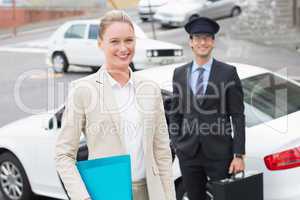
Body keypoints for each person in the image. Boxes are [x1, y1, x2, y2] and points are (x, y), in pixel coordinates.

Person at [55, 10, 176, 200]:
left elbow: (162, 152)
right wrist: (83, 197)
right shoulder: (83, 90)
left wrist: (169, 196)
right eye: (115, 41)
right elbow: (63, 156)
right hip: (107, 193)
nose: (123, 48)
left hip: (152, 193)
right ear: (100, 44)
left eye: (129, 40)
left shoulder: (150, 89)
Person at [169, 17, 245, 200]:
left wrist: (239, 154)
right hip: (189, 154)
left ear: (213, 42)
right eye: (197, 38)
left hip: (220, 152)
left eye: (207, 37)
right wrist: (177, 143)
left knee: (226, 197)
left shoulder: (228, 72)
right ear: (191, 42)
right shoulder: (179, 73)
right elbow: (176, 113)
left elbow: (237, 116)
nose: (202, 42)